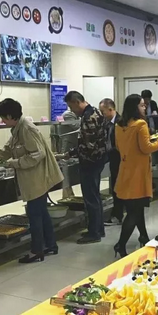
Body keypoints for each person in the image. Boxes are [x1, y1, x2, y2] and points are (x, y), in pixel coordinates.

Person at [0, 99, 63, 263]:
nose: (2, 121)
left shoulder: (26, 128)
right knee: (41, 213)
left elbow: (37, 154)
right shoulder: (17, 128)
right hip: (34, 179)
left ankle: (36, 251)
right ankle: (51, 245)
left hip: (37, 178)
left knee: (34, 214)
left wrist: (14, 163)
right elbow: (8, 149)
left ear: (9, 116)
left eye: (3, 118)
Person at [114, 94, 158, 258]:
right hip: (138, 173)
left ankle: (143, 236)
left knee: (136, 208)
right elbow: (146, 148)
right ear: (135, 107)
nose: (145, 108)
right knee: (134, 212)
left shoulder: (119, 125)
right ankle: (120, 244)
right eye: (142, 105)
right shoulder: (140, 124)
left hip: (125, 171)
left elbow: (119, 146)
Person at [64, 91, 107, 244]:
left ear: (77, 102)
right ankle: (98, 229)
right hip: (98, 160)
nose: (72, 111)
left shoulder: (88, 117)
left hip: (90, 162)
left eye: (71, 107)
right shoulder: (96, 112)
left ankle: (94, 233)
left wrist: (71, 153)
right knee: (95, 197)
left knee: (90, 198)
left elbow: (88, 145)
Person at [99, 98, 124, 226]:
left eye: (103, 111)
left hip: (120, 159)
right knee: (115, 186)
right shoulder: (106, 123)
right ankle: (117, 213)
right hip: (111, 158)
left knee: (119, 187)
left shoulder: (121, 122)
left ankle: (118, 215)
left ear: (110, 109)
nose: (102, 114)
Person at [58, 107, 80, 199]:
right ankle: (66, 193)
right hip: (67, 144)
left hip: (72, 145)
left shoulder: (75, 115)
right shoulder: (68, 114)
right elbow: (77, 126)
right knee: (66, 168)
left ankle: (69, 192)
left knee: (70, 170)